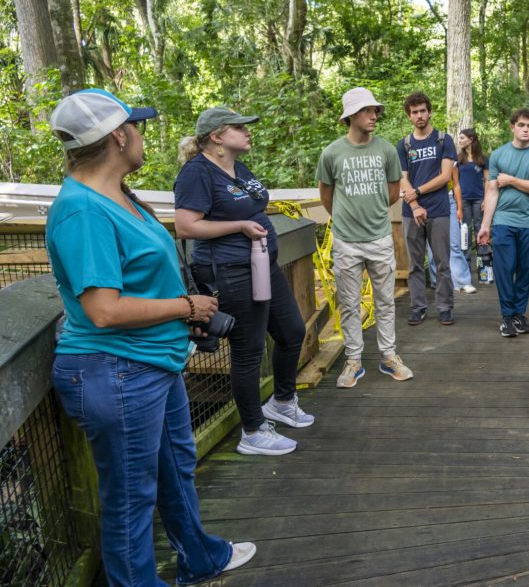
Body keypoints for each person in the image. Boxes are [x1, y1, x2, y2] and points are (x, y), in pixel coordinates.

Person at [46, 89, 255, 585]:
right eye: (135, 126)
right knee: (129, 500)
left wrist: (182, 316)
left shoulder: (119, 195)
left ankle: (200, 557)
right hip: (114, 372)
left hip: (152, 365)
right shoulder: (84, 211)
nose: (142, 135)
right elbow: (102, 310)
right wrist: (186, 306)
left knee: (175, 469)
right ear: (119, 136)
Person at [175, 107, 312, 457]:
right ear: (216, 137)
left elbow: (250, 205)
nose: (248, 132)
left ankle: (282, 402)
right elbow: (187, 226)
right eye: (239, 128)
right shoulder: (197, 173)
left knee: (292, 331)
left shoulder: (237, 167)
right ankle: (252, 431)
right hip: (230, 270)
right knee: (248, 350)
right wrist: (238, 227)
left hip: (263, 263)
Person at [316, 87, 413, 388]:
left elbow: (394, 193)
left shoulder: (385, 150)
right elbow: (326, 197)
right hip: (346, 240)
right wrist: (350, 218)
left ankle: (389, 356)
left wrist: (370, 213)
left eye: (375, 110)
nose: (374, 115)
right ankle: (354, 360)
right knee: (349, 302)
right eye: (367, 111)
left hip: (380, 238)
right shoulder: (332, 153)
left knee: (386, 300)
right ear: (351, 116)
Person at [477, 108, 529, 337]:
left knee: (524, 270)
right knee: (504, 268)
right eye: (521, 125)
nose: (525, 129)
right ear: (512, 127)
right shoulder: (499, 155)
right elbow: (492, 192)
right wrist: (485, 225)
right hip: (503, 220)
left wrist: (510, 180)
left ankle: (520, 313)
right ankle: (507, 316)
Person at [397, 92, 458, 326]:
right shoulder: (404, 144)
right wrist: (414, 204)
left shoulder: (443, 140)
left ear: (429, 112)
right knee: (414, 264)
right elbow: (402, 178)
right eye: (414, 112)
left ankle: (445, 307)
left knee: (442, 261)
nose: (419, 115)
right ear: (409, 116)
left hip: (439, 209)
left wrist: (418, 192)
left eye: (423, 110)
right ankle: (418, 307)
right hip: (411, 212)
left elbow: (444, 177)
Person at [455, 128, 491, 283]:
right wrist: (457, 205)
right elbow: (455, 182)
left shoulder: (483, 159)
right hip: (463, 201)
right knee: (464, 233)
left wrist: (486, 199)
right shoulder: (458, 159)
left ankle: (484, 272)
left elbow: (488, 181)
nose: (460, 140)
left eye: (462, 137)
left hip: (478, 200)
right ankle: (465, 274)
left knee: (480, 231)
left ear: (471, 139)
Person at [449, 161, 477, 293]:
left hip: (448, 200)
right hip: (426, 202)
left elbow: (456, 185)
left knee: (455, 244)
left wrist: (459, 208)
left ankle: (463, 281)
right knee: (433, 250)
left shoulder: (449, 159)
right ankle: (438, 282)